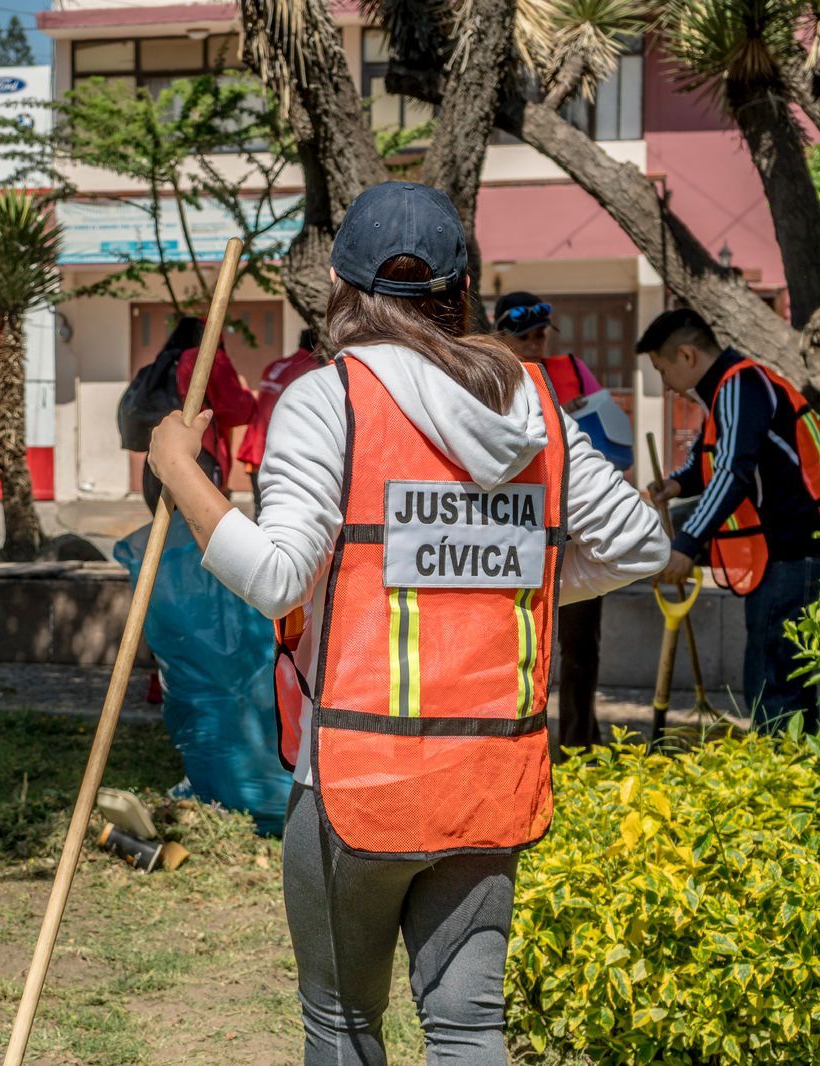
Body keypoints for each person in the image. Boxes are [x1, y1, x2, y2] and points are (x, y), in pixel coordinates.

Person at [148, 182, 667, 1062]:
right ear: (460, 293)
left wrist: (180, 471)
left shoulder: (330, 398)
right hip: (487, 777)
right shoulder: (534, 407)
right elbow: (637, 548)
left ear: (344, 293)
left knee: (344, 1025)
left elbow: (277, 579)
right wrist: (498, 577)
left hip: (357, 777)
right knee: (468, 1029)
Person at [641, 307, 820, 734]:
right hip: (783, 559)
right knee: (778, 677)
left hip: (793, 557)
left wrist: (686, 544)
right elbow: (714, 459)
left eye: (662, 371)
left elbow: (733, 472)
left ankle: (784, 784)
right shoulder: (727, 392)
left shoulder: (741, 383)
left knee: (777, 687)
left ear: (687, 356)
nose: (665, 387)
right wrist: (678, 485)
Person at [495, 292, 619, 751]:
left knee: (580, 647)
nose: (535, 343)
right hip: (512, 531)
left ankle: (578, 744)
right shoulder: (488, 376)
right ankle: (516, 744)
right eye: (525, 335)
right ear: (502, 335)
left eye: (541, 334)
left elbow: (612, 443)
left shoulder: (573, 371)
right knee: (514, 647)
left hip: (574, 531)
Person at [139, 319, 256, 514]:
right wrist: (245, 392)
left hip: (158, 456)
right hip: (198, 458)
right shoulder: (206, 358)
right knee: (197, 537)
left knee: (169, 538)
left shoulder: (167, 361)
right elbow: (238, 410)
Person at [237, 328, 321, 511]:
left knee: (261, 511)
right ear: (321, 346)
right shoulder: (312, 370)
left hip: (257, 448)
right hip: (277, 451)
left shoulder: (277, 365)